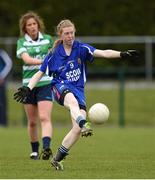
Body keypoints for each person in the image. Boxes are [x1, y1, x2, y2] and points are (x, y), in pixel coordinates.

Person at [14, 19, 139, 170]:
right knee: (72, 103)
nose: (70, 36)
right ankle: (83, 122)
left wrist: (122, 54)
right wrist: (28, 88)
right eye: (66, 33)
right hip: (60, 87)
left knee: (77, 130)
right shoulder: (54, 54)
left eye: (72, 33)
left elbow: (104, 53)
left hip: (78, 90)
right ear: (61, 35)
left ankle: (57, 158)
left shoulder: (81, 48)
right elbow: (40, 73)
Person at [16, 11, 54, 160]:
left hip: (45, 82)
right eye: (29, 25)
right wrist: (44, 62)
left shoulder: (48, 39)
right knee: (32, 122)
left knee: (44, 117)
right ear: (25, 29)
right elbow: (27, 59)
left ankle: (46, 148)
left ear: (38, 25)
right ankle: (34, 150)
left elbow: (54, 55)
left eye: (34, 24)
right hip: (28, 86)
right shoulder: (22, 42)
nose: (32, 27)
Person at [0, 49, 12, 126]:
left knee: (1, 103)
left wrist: (1, 76)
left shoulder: (1, 52)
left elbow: (9, 63)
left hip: (1, 83)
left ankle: (3, 123)